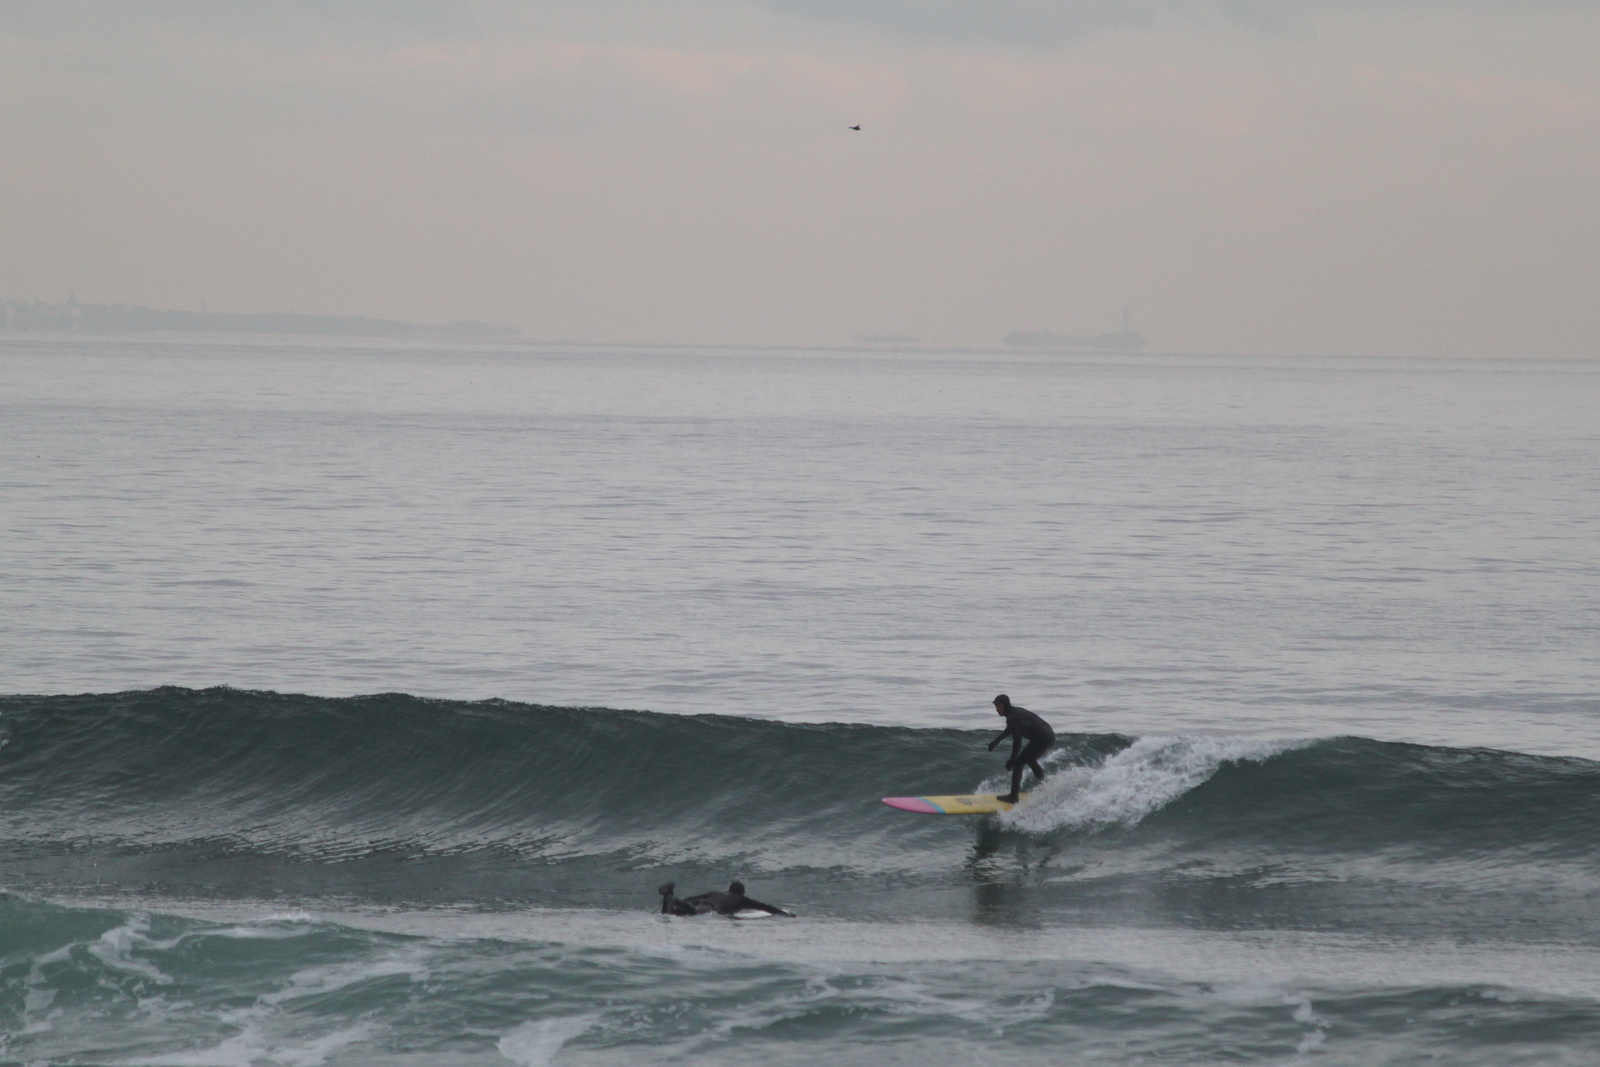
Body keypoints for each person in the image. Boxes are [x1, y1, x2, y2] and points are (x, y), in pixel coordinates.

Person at [988, 694, 1055, 804]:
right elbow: (1011, 729)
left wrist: (1012, 760)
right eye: (996, 707)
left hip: (1042, 738)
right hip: (1048, 736)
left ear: (1005, 705)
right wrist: (996, 741)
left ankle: (1013, 797)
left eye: (999, 706)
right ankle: (1044, 785)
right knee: (1030, 759)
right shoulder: (1014, 713)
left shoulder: (1012, 717)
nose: (997, 710)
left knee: (1019, 763)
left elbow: (1017, 741)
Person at [657, 880, 794, 917]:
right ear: (742, 892)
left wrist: (684, 901)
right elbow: (766, 907)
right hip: (710, 907)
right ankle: (674, 900)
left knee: (672, 914)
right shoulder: (742, 899)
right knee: (693, 913)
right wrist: (785, 914)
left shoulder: (717, 892)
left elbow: (694, 897)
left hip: (701, 901)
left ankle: (670, 895)